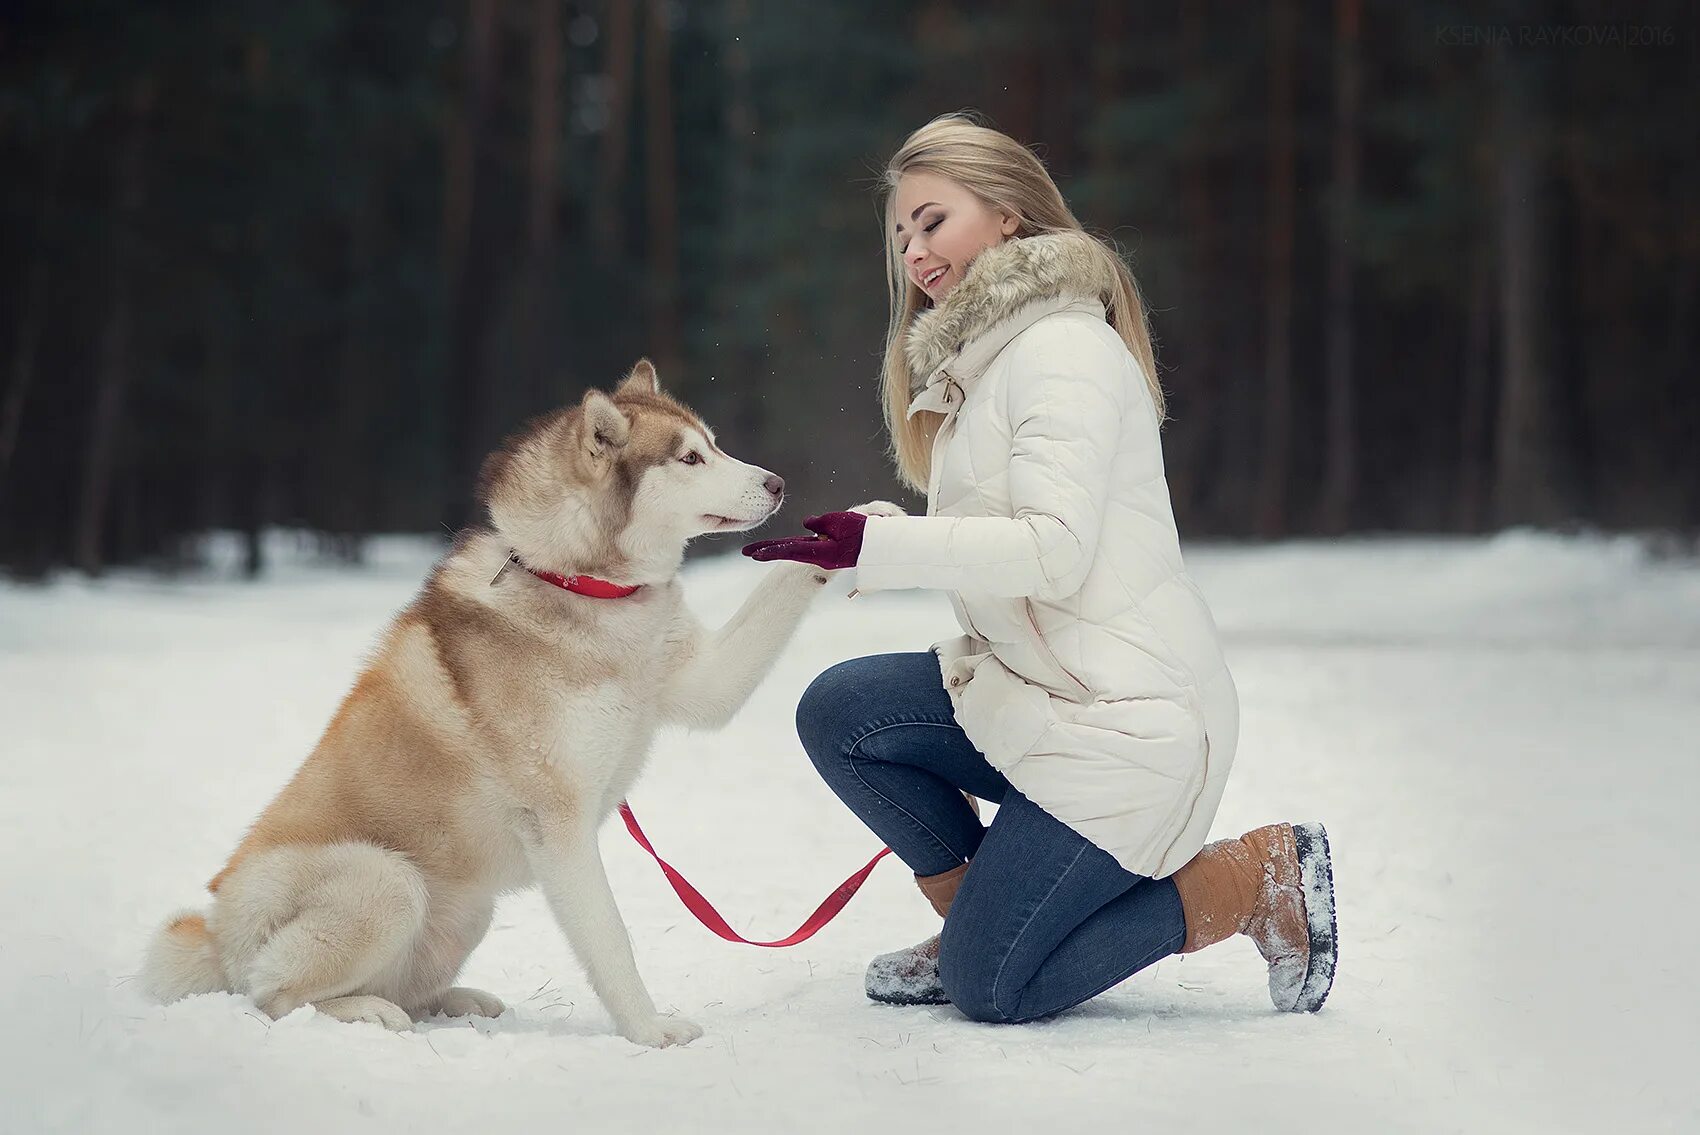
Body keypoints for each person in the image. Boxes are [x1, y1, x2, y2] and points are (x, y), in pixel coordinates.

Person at [743, 114, 1336, 1023]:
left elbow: (1051, 551)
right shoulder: (982, 369)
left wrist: (887, 548)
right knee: (842, 711)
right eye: (901, 233)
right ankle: (977, 913)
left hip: (1128, 734)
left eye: (932, 221)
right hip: (1042, 697)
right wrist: (870, 533)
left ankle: (1254, 878)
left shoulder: (1063, 351)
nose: (914, 251)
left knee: (996, 987)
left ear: (1009, 215)